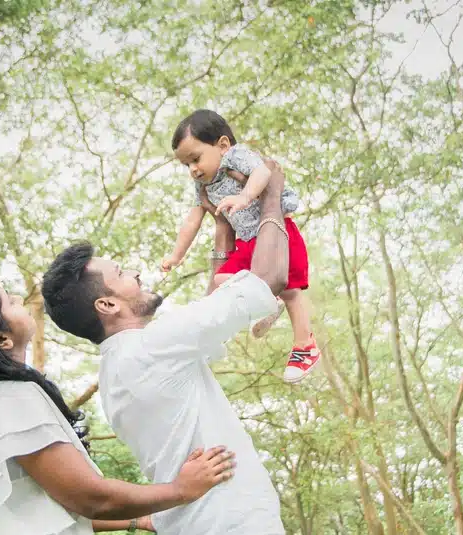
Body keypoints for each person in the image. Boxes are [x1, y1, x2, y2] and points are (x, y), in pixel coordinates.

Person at [42, 159, 295, 535]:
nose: (135, 274)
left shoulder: (117, 374)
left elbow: (211, 309)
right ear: (107, 305)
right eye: (122, 273)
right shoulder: (155, 347)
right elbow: (270, 278)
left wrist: (222, 231)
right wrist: (272, 192)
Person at [0, 272, 236, 535]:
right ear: (1, 338)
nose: (19, 299)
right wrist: (181, 489)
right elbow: (91, 498)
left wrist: (140, 519)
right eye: (8, 300)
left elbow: (54, 505)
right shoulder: (9, 397)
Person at [161, 109, 320, 383]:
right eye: (186, 165)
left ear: (222, 145)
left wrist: (246, 196)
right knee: (223, 279)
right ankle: (270, 302)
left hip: (276, 233)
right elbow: (192, 221)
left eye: (196, 159)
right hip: (246, 243)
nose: (193, 170)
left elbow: (263, 172)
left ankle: (305, 345)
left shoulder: (236, 157)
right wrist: (176, 255)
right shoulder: (203, 185)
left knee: (292, 290)